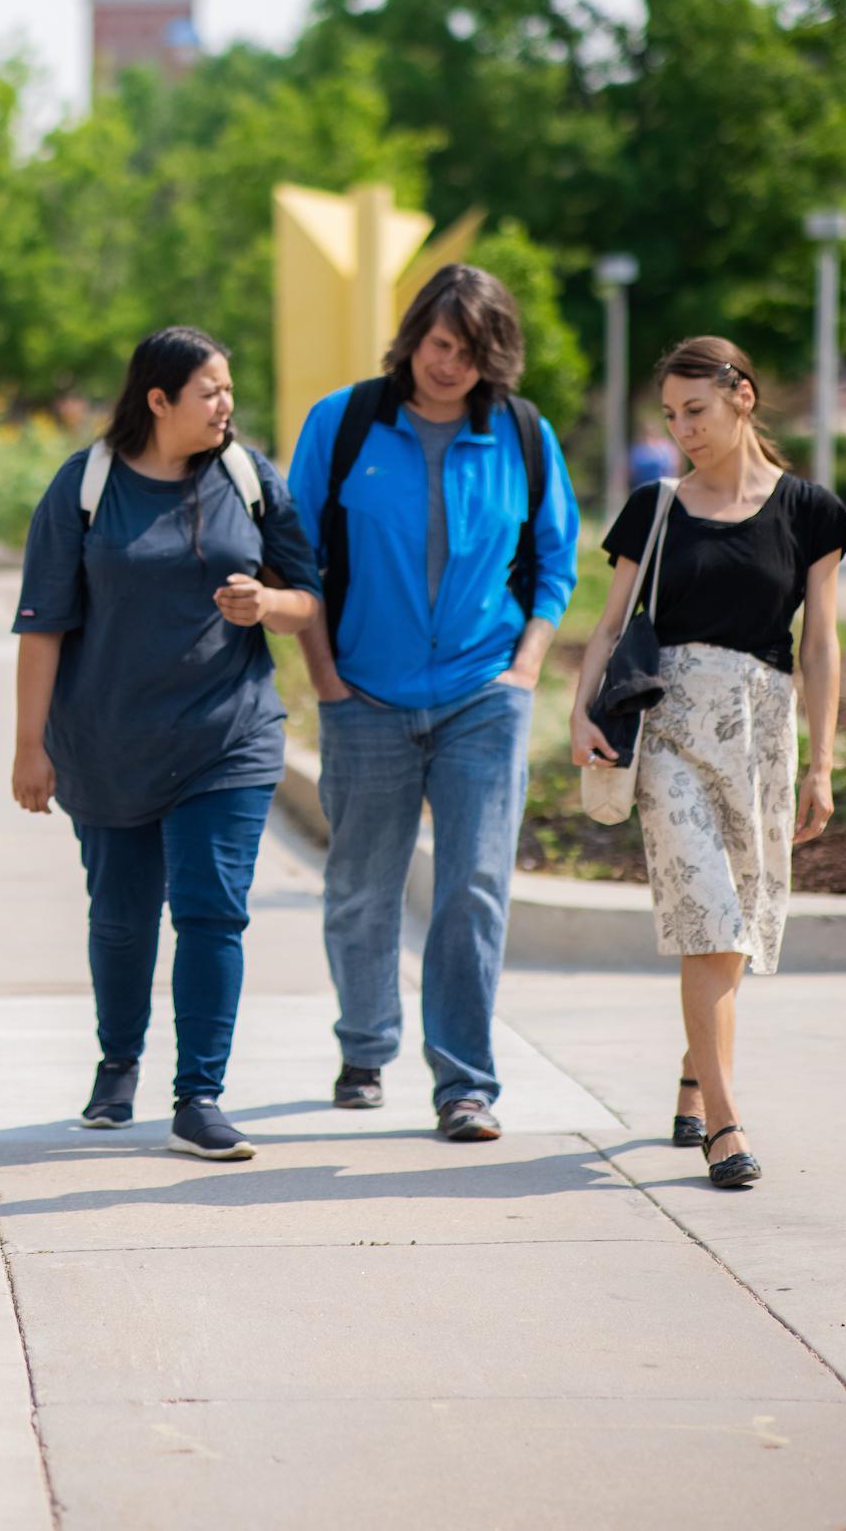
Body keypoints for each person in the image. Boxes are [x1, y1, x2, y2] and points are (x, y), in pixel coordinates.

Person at [9, 328, 323, 1159]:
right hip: (108, 736)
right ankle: (118, 1066)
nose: (227, 405)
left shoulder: (250, 479)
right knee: (120, 917)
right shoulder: (87, 486)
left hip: (231, 731)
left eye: (229, 390)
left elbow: (309, 599)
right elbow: (41, 626)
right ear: (158, 400)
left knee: (213, 910)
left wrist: (270, 605)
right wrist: (28, 746)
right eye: (210, 392)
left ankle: (200, 1096)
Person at [288, 265, 580, 1142]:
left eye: (472, 352)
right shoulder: (343, 424)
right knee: (360, 888)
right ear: (414, 333)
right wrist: (327, 680)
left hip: (482, 698)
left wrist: (524, 669)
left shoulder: (522, 435)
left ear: (496, 362)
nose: (450, 364)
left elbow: (556, 565)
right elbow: (296, 562)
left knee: (473, 891)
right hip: (364, 697)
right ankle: (366, 1044)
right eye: (441, 342)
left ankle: (464, 1083)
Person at [569, 337, 846, 1190]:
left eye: (695, 410)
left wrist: (822, 763)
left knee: (738, 929)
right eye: (669, 414)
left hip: (763, 736)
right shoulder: (655, 507)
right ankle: (725, 1124)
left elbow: (823, 644)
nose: (681, 428)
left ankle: (695, 1074)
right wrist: (583, 712)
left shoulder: (809, 511)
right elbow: (612, 623)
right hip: (671, 738)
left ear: (743, 398)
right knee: (709, 923)